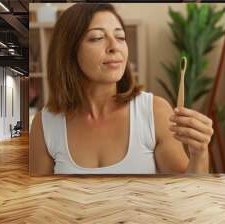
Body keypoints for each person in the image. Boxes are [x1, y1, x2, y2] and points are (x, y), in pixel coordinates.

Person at [29, 3, 213, 175]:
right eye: (97, 38)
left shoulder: (154, 112)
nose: (114, 46)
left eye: (120, 37)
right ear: (68, 51)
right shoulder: (44, 124)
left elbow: (185, 191)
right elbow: (41, 201)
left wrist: (199, 153)